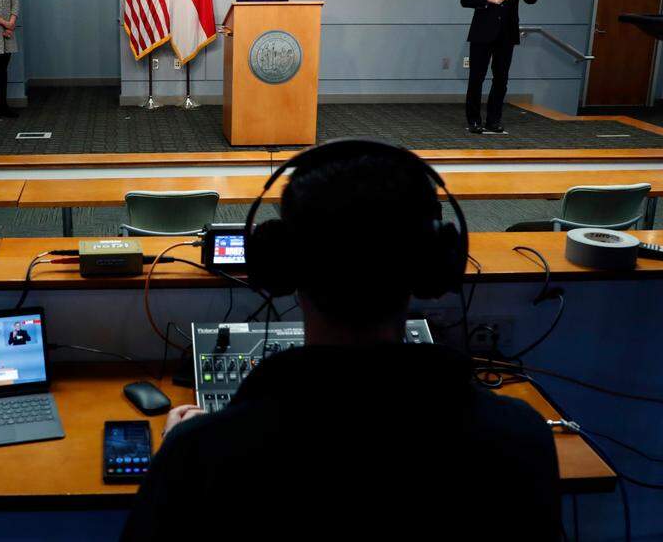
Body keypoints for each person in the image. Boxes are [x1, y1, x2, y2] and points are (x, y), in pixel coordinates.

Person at [123, 144, 561, 540]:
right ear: (431, 266)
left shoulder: (199, 455)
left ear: (281, 264)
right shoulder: (521, 437)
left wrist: (182, 449)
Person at [460, 0, 538, 134]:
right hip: (482, 34)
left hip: (506, 35)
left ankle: (493, 120)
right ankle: (474, 120)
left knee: (501, 80)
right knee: (476, 78)